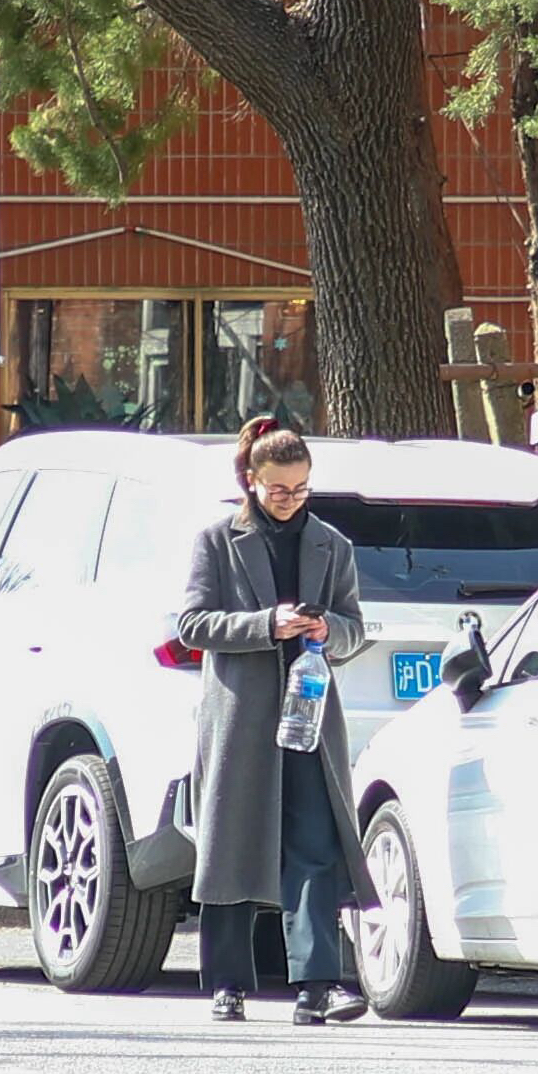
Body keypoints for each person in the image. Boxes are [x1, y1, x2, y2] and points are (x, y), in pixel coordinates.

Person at [174, 417, 369, 1024]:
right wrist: (266, 624)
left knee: (314, 845)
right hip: (241, 716)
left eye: (302, 489)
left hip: (308, 713)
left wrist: (324, 630)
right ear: (250, 482)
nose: (291, 501)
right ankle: (228, 983)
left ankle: (317, 986)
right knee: (233, 844)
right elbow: (193, 625)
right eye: (279, 490)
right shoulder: (216, 541)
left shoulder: (333, 545)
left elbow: (354, 628)